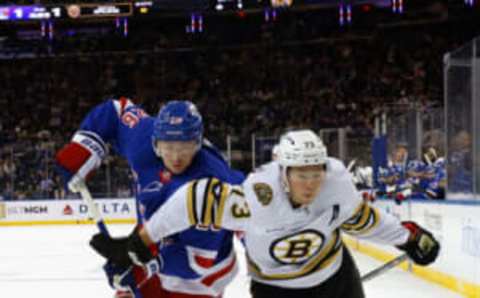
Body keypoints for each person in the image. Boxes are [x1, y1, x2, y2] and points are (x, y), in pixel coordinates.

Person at [103, 129, 440, 298]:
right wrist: (142, 240)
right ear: (284, 173)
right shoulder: (257, 196)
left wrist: (408, 237)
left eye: (315, 173)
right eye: (301, 174)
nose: (310, 183)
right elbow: (191, 201)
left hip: (334, 277)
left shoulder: (336, 181)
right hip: (274, 289)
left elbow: (361, 219)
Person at [55, 98, 244, 298]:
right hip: (148, 243)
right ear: (155, 142)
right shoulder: (143, 138)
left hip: (200, 278)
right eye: (169, 147)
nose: (176, 157)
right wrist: (84, 147)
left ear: (197, 144)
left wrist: (139, 267)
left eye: (184, 147)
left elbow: (196, 262)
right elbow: (116, 111)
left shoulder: (211, 183)